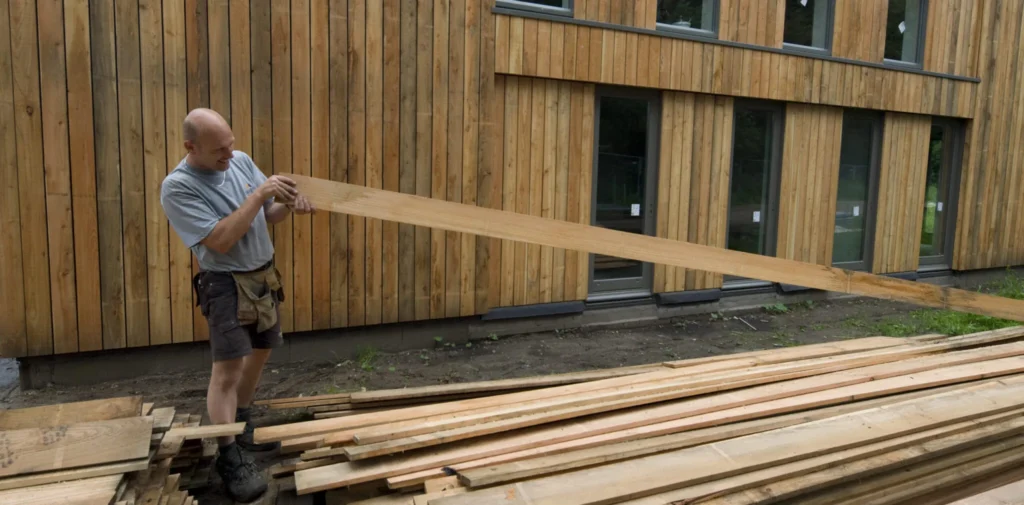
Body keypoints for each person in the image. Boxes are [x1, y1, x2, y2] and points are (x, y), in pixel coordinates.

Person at [159, 108, 315, 503]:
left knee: (260, 353)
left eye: (231, 145)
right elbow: (222, 239)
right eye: (219, 151)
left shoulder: (241, 159)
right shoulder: (178, 187)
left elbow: (267, 215)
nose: (230, 155)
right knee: (227, 369)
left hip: (262, 276)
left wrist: (291, 208)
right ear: (190, 147)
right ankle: (228, 455)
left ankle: (242, 426)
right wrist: (259, 194)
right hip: (225, 284)